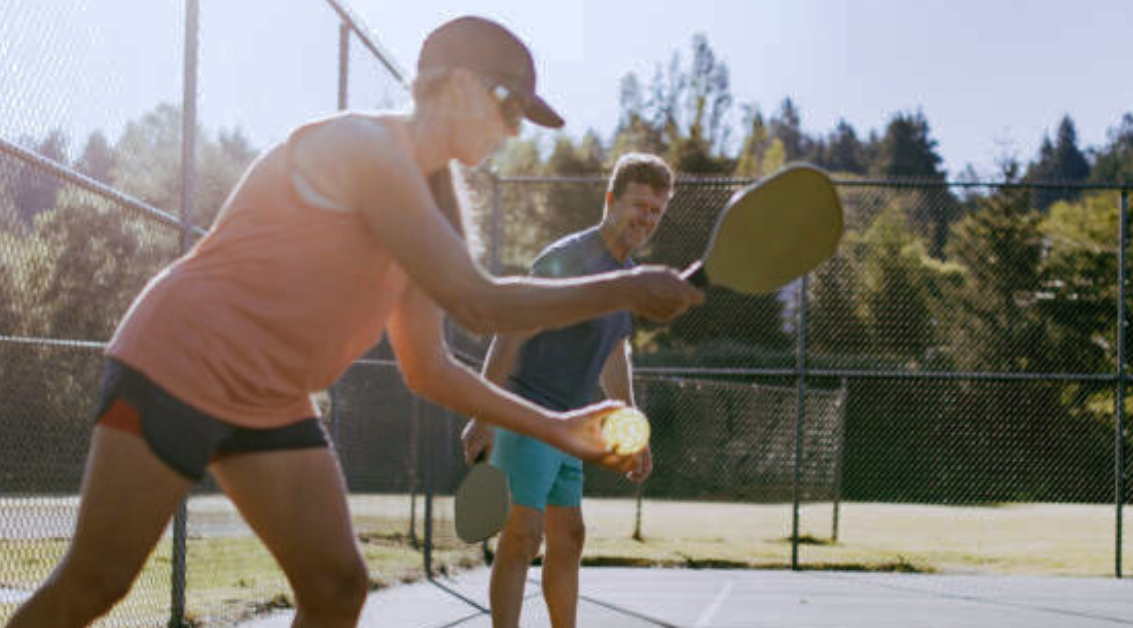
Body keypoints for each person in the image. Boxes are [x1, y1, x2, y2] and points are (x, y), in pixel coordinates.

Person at [4, 17, 703, 628]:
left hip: (270, 397)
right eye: (511, 107)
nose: (515, 129)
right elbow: (480, 304)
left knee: (337, 586)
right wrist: (631, 286)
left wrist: (555, 428)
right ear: (459, 85)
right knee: (96, 583)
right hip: (178, 361)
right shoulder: (367, 149)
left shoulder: (434, 200)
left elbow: (427, 366)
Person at [461, 152, 675, 628]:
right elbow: (511, 328)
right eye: (639, 204)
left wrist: (632, 430)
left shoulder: (627, 278)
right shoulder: (568, 257)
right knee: (522, 536)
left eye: (656, 211)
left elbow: (615, 357)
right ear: (610, 200)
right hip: (528, 412)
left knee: (571, 536)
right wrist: (484, 413)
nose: (646, 218)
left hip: (570, 427)